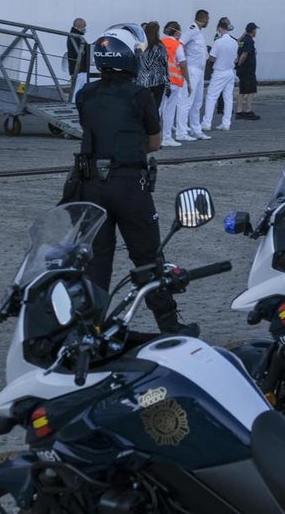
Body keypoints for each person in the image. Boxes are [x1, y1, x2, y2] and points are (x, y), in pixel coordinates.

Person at [66, 22, 194, 335]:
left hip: (90, 185)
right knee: (148, 256)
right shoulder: (140, 95)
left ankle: (89, 329)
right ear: (128, 57)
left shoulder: (86, 94)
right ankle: (169, 325)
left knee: (97, 262)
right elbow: (154, 143)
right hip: (128, 185)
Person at [179, 9, 211, 141]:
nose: (208, 21)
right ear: (203, 19)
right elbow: (180, 44)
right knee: (186, 102)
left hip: (200, 71)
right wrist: (184, 60)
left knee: (197, 102)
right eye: (208, 18)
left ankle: (196, 129)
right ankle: (181, 132)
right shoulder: (192, 30)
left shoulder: (199, 32)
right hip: (192, 70)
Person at [202, 17, 238, 131]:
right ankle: (226, 123)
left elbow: (212, 58)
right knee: (228, 98)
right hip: (230, 72)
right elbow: (236, 58)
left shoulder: (218, 42)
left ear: (219, 28)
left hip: (219, 72)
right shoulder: (234, 42)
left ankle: (207, 123)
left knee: (211, 97)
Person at [158, 21, 189, 147]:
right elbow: (182, 64)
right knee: (169, 110)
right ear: (176, 31)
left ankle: (153, 136)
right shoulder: (177, 45)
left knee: (158, 109)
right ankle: (166, 137)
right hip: (173, 82)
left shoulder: (159, 43)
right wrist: (189, 81)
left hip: (159, 81)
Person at [137, 21, 170, 110]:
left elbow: (136, 63)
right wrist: (167, 85)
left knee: (142, 109)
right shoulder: (160, 47)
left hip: (142, 82)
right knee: (154, 109)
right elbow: (164, 67)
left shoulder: (140, 46)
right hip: (157, 82)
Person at [235, 22, 260, 120]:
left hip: (243, 71)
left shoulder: (242, 41)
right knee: (251, 90)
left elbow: (239, 52)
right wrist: (240, 64)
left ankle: (239, 111)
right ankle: (248, 110)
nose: (256, 32)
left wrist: (238, 66)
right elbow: (244, 54)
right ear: (253, 30)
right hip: (248, 71)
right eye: (255, 30)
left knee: (242, 91)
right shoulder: (249, 41)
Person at [65, 17, 89, 102]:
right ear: (79, 26)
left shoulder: (74, 36)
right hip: (79, 68)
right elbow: (81, 52)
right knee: (78, 89)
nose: (84, 29)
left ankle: (76, 104)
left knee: (77, 88)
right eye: (84, 27)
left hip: (76, 68)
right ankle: (74, 105)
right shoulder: (76, 38)